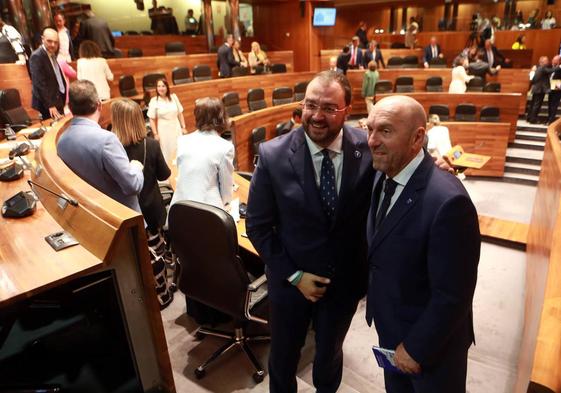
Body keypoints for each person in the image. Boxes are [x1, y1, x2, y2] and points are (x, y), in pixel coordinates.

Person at [246, 71, 375, 393]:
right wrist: (294, 276)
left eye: (329, 108)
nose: (317, 116)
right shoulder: (273, 155)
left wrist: (435, 166)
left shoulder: (369, 149)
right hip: (290, 285)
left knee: (329, 358)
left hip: (344, 284)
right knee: (283, 359)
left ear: (348, 110)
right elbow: (258, 227)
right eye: (310, 105)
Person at [365, 95, 480, 393]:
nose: (372, 141)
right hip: (391, 331)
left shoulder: (448, 201)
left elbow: (453, 295)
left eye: (385, 131)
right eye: (369, 129)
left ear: (418, 137)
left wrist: (415, 348)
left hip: (432, 348)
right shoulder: (385, 173)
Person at [111, 97, 173, 309]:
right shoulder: (151, 145)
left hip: (124, 212)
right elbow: (165, 175)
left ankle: (142, 302)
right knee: (157, 259)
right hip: (151, 210)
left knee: (136, 261)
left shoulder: (111, 148)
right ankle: (162, 297)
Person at [57, 80, 144, 213]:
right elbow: (132, 186)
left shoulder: (62, 141)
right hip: (120, 217)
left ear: (69, 107)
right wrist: (136, 167)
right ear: (99, 105)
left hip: (90, 214)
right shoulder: (106, 140)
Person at [170, 97, 234, 209]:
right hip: (208, 211)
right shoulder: (225, 147)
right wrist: (226, 204)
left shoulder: (182, 140)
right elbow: (226, 186)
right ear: (221, 117)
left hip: (180, 207)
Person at [29, 27, 66, 120]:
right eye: (49, 41)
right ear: (42, 39)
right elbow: (40, 84)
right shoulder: (37, 56)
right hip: (48, 104)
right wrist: (50, 105)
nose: (53, 45)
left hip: (57, 99)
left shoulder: (52, 54)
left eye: (56, 42)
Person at [147, 78, 186, 163]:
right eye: (158, 86)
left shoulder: (174, 97)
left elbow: (180, 113)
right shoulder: (154, 101)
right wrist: (155, 134)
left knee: (179, 147)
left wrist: (183, 127)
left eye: (163, 86)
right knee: (167, 151)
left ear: (167, 87)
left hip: (176, 126)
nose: (161, 88)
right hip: (163, 130)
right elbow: (151, 119)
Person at [527, 56, 553, 124]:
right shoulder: (542, 68)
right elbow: (550, 70)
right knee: (536, 105)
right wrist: (559, 67)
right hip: (540, 90)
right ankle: (533, 119)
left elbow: (532, 79)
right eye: (546, 60)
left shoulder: (536, 68)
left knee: (533, 104)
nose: (548, 61)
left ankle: (529, 117)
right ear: (542, 62)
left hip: (536, 89)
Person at [548, 55, 561, 125]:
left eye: (554, 60)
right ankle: (549, 118)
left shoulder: (560, 68)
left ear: (559, 61)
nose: (553, 61)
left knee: (554, 105)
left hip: (557, 89)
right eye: (553, 59)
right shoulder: (552, 68)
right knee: (549, 104)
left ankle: (551, 120)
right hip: (550, 89)